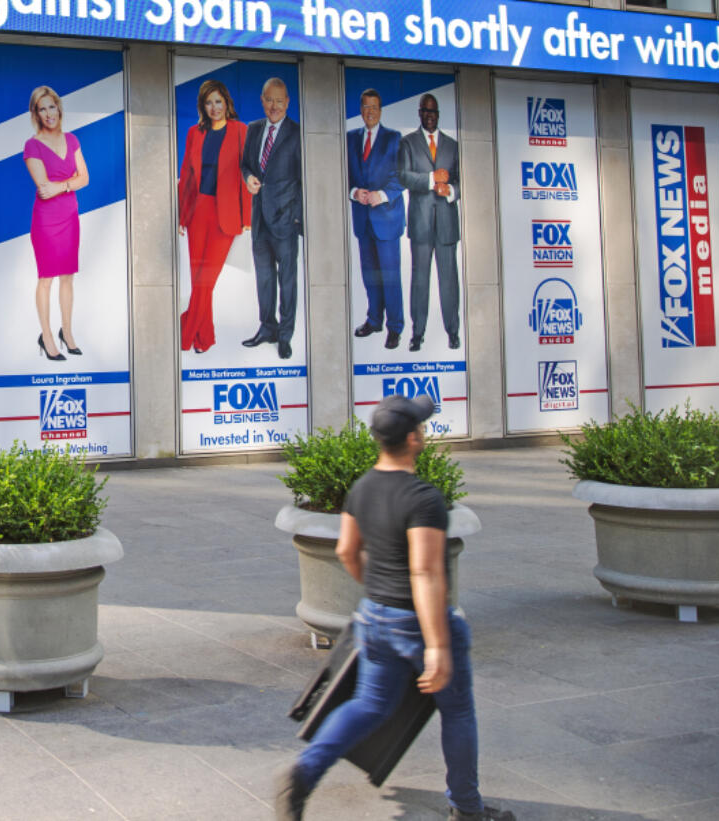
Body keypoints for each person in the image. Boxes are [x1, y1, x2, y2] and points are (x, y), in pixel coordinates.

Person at [276, 394, 513, 821]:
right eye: (421, 428)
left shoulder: (362, 487)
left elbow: (348, 549)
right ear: (413, 438)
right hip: (419, 623)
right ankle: (467, 808)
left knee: (369, 705)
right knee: (457, 711)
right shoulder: (424, 498)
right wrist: (437, 646)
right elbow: (424, 573)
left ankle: (304, 773)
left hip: (374, 617)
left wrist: (378, 591)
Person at [178, 79, 250, 354]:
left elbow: (246, 173)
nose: (214, 107)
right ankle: (205, 338)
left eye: (218, 101)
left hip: (227, 213)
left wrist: (247, 216)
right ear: (203, 106)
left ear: (226, 103)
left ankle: (187, 331)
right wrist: (181, 215)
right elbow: (186, 174)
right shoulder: (194, 133)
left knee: (207, 279)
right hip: (198, 210)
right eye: (209, 102)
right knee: (198, 277)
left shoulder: (240, 131)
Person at [24, 85, 89, 361]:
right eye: (42, 108)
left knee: (67, 277)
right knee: (46, 279)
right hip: (47, 222)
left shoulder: (72, 140)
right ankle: (47, 336)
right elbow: (43, 187)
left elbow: (85, 178)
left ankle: (68, 332)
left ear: (58, 108)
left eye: (51, 106)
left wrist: (63, 185)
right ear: (36, 113)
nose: (48, 113)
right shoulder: (32, 145)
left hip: (70, 217)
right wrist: (70, 182)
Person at [239, 77, 302, 361]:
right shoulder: (253, 129)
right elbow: (246, 165)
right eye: (269, 100)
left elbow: (304, 179)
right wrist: (248, 177)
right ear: (262, 101)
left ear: (287, 102)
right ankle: (268, 328)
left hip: (286, 219)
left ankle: (285, 336)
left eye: (279, 100)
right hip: (260, 219)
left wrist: (298, 219)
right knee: (264, 278)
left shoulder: (298, 133)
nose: (274, 106)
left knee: (286, 280)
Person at [397, 93, 461, 353]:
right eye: (426, 112)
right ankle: (417, 333)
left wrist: (452, 191)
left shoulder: (453, 145)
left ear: (438, 115)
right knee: (420, 281)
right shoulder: (408, 143)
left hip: (447, 223)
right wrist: (432, 179)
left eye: (434, 113)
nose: (430, 117)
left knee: (449, 281)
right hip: (421, 224)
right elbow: (403, 177)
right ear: (420, 113)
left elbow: (460, 179)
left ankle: (453, 332)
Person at [348, 88, 406, 350]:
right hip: (363, 220)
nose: (370, 112)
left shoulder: (394, 139)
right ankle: (374, 320)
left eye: (374, 107)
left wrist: (380, 195)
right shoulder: (350, 139)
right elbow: (345, 174)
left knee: (390, 276)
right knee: (370, 275)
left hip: (387, 219)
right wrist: (354, 192)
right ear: (361, 110)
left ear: (380, 111)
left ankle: (395, 328)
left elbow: (402, 177)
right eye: (365, 107)